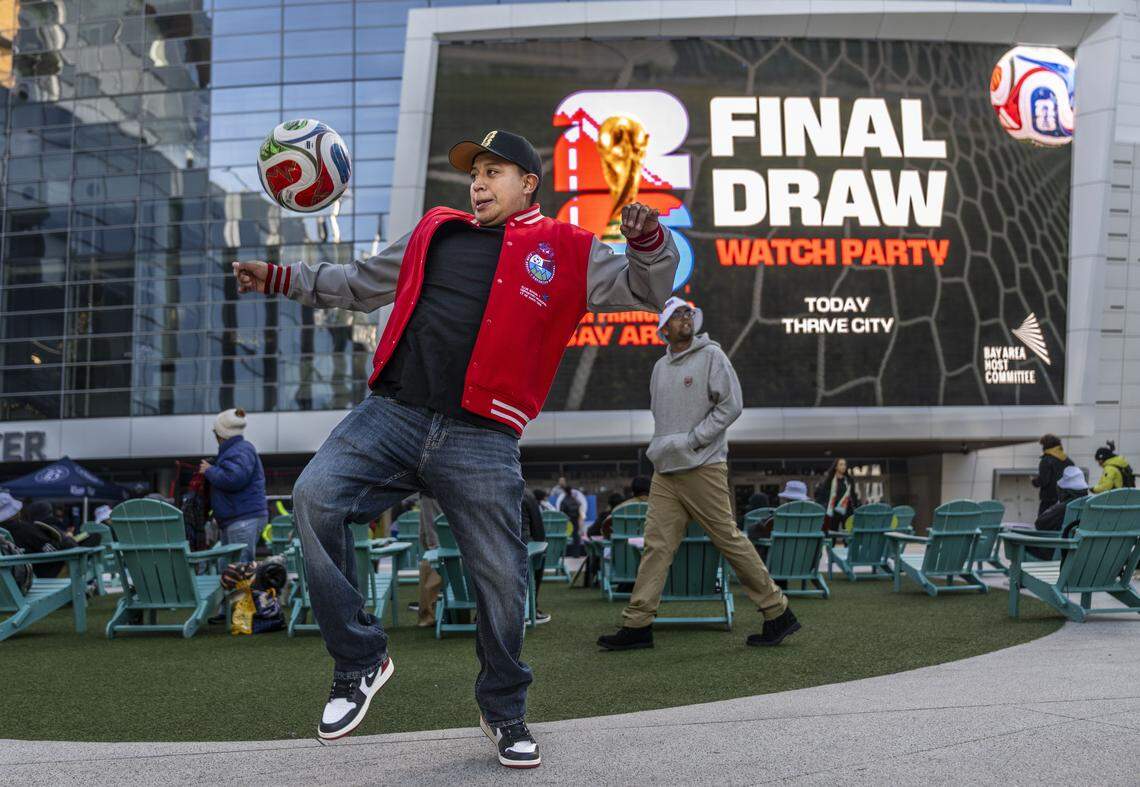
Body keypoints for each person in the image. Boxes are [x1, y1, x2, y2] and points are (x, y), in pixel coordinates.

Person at [231, 128, 679, 763]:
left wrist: (647, 241)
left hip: (483, 437)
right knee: (314, 496)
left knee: (501, 577)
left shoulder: (568, 249)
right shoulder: (435, 230)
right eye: (474, 172)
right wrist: (278, 276)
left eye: (494, 172)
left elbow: (649, 290)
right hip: (394, 414)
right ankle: (359, 661)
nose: (477, 182)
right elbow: (358, 283)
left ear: (529, 184)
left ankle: (505, 713)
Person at [598, 297, 798, 652]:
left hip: (703, 466)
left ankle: (777, 611)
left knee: (729, 540)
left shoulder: (712, 357)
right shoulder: (660, 368)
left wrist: (695, 440)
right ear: (663, 328)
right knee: (656, 547)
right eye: (676, 315)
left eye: (687, 313)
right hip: (665, 470)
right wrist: (669, 447)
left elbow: (732, 405)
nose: (684, 318)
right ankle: (637, 624)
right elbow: (662, 418)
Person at [200, 408, 268, 566]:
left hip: (242, 518)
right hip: (239, 518)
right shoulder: (239, 449)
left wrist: (209, 470)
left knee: (239, 570)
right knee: (232, 569)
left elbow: (233, 478)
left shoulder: (240, 450)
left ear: (220, 434)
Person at [1026, 465, 1089, 560]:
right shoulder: (1092, 506)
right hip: (1081, 557)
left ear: (1066, 492)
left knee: (1020, 545)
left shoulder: (1064, 507)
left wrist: (1056, 505)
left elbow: (1040, 524)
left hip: (1057, 556)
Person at [520, 489, 550, 624]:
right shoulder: (524, 494)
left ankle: (481, 612)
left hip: (483, 555)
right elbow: (539, 532)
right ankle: (532, 607)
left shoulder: (475, 492)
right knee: (539, 555)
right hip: (518, 553)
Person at [1033, 434, 1074, 516]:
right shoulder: (1068, 461)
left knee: (1043, 523)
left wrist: (1034, 481)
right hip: (1065, 499)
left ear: (1046, 446)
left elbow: (1044, 481)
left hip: (1049, 499)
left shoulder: (1046, 460)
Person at [814, 459, 860, 531]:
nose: (843, 466)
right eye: (841, 464)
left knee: (848, 533)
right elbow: (821, 495)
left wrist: (856, 507)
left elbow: (853, 495)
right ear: (836, 467)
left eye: (845, 464)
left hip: (846, 511)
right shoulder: (828, 480)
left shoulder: (849, 480)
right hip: (832, 511)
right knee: (831, 534)